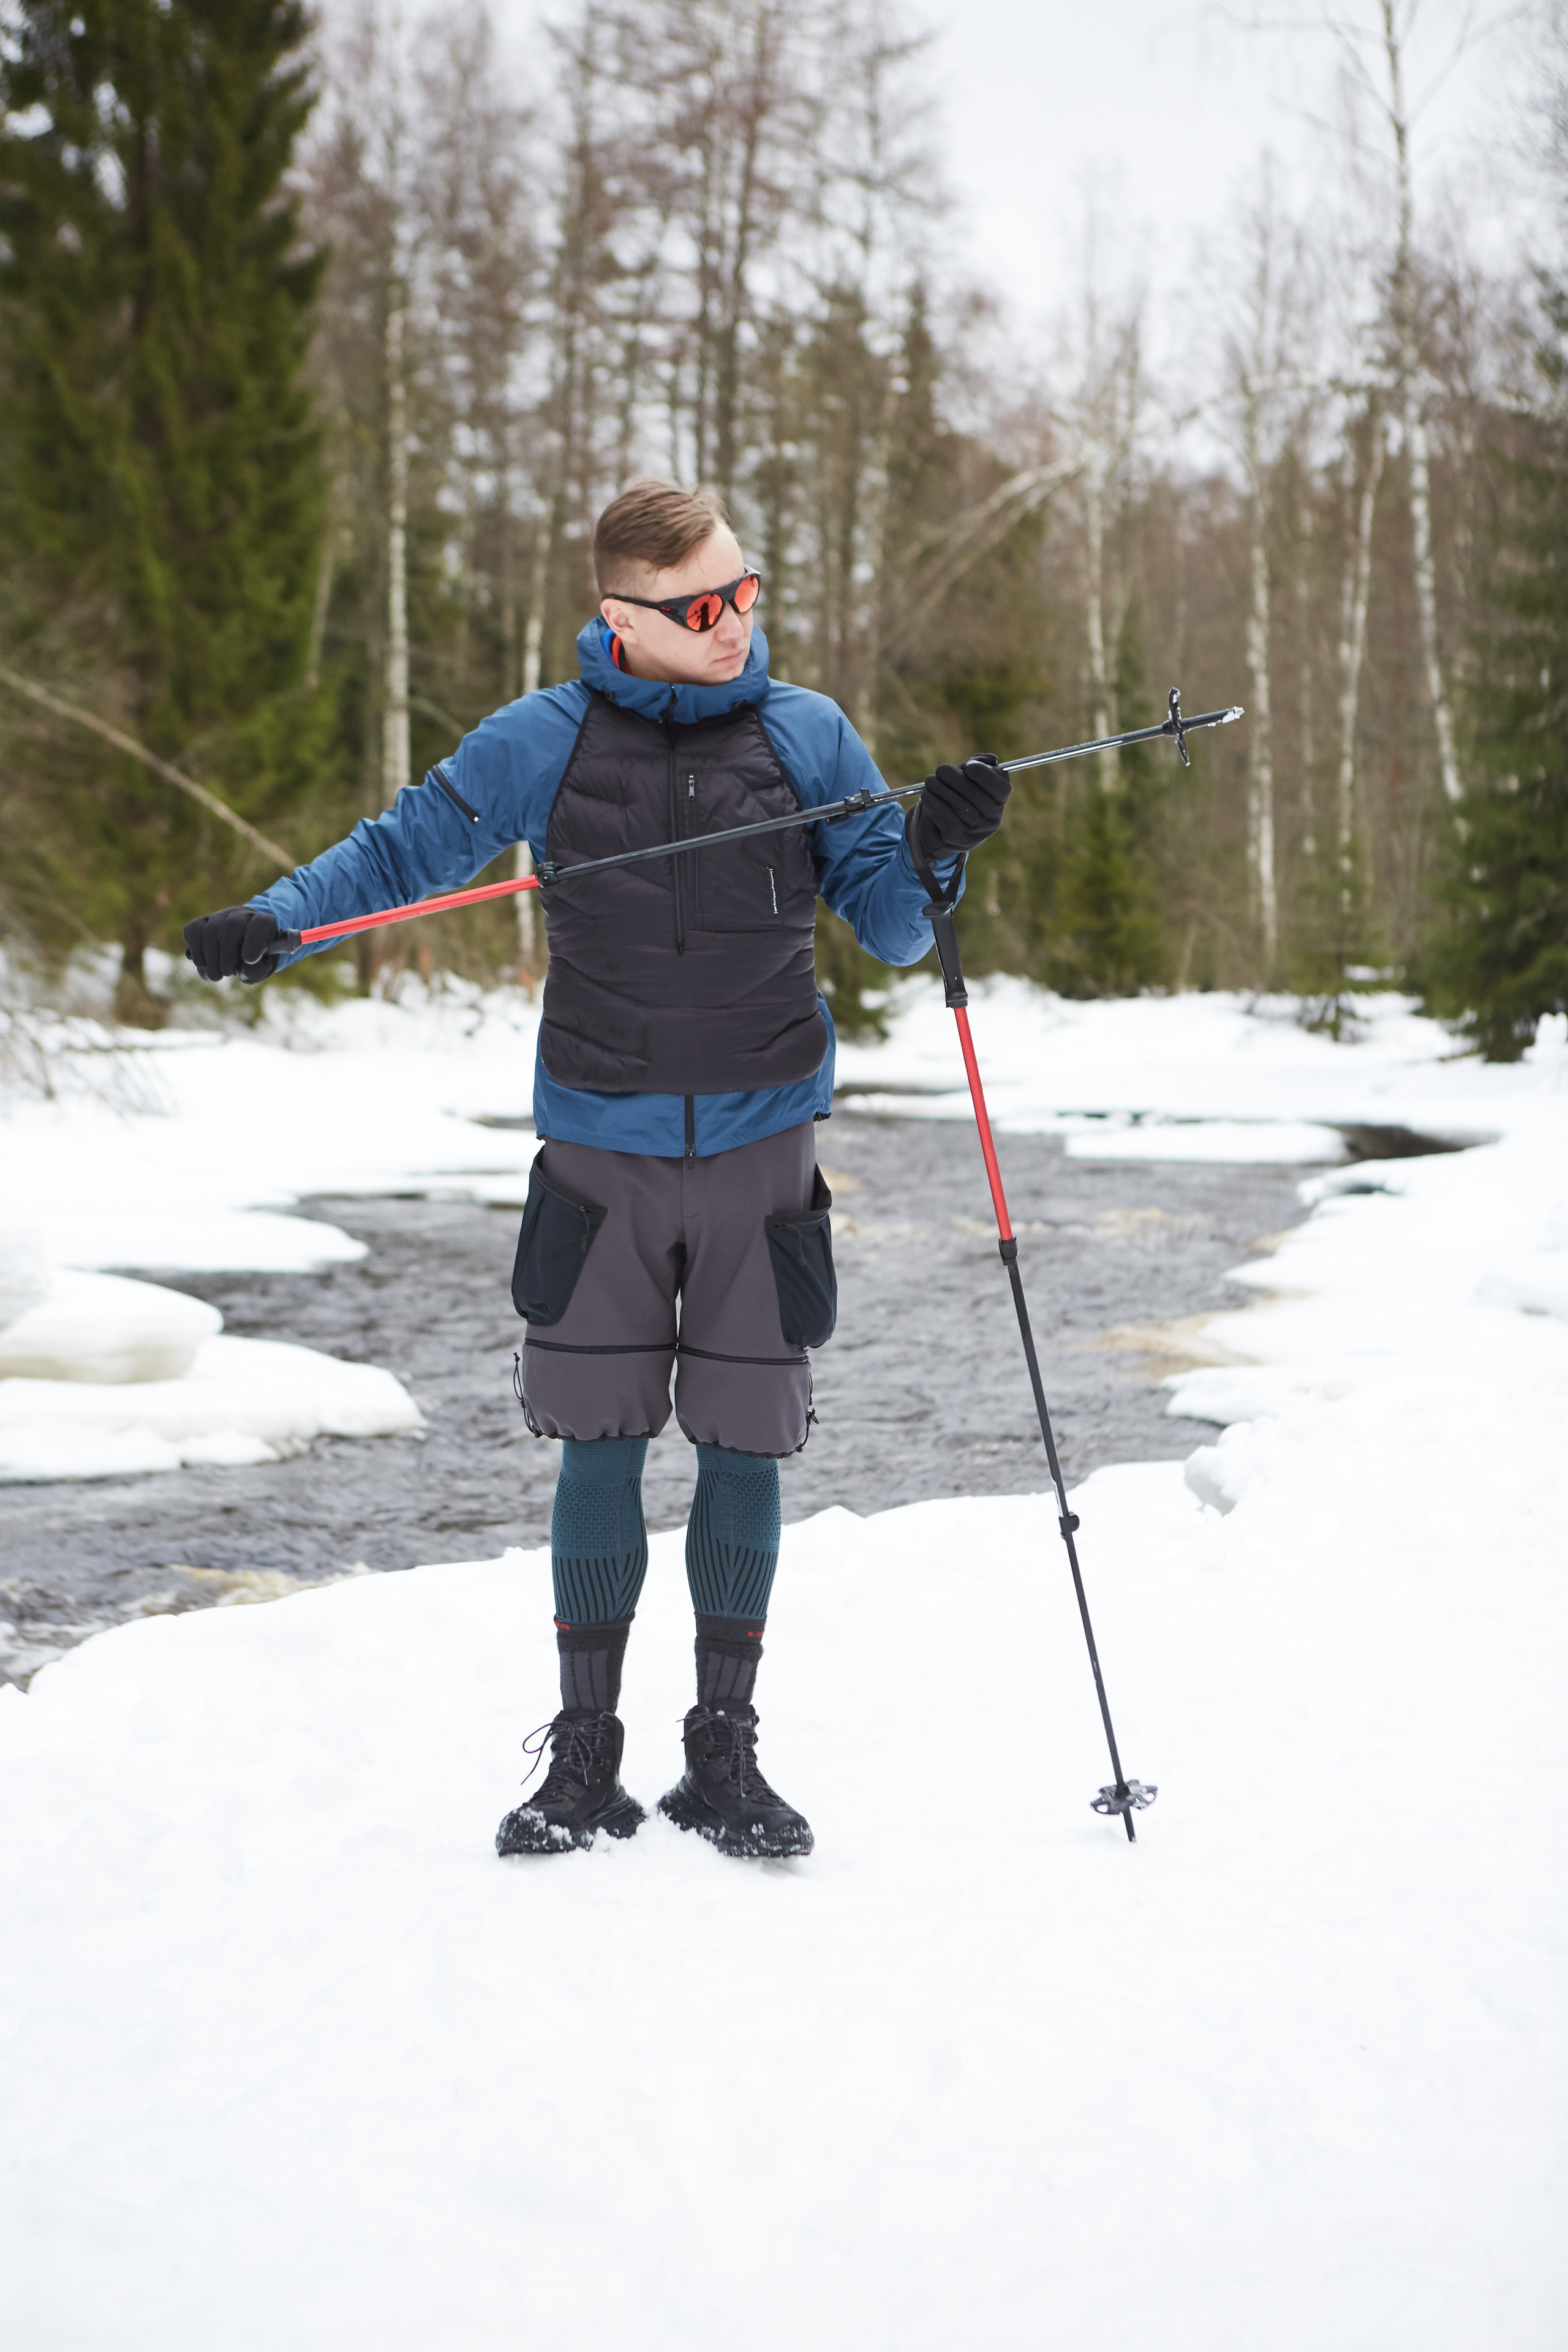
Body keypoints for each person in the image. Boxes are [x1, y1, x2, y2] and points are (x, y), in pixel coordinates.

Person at [184, 480, 1010, 1860]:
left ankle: (723, 1753)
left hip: (762, 1153)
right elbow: (406, 852)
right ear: (620, 616)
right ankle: (583, 1758)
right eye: (704, 608)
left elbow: (891, 930)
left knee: (746, 1440)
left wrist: (933, 849)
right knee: (599, 1443)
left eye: (747, 592)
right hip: (600, 1153)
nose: (737, 622)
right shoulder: (541, 741)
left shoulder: (808, 736)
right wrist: (279, 920)